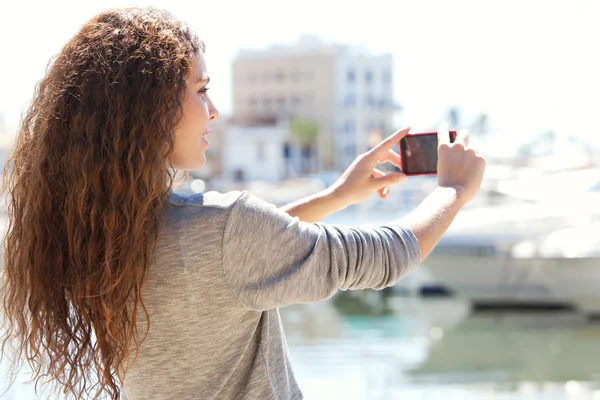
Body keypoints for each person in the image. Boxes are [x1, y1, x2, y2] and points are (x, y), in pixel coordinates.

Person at [0, 7, 486, 400]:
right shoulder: (220, 230)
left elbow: (232, 259)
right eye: (201, 90)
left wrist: (337, 196)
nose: (214, 111)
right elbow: (386, 256)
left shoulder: (101, 236)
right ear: (148, 108)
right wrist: (453, 192)